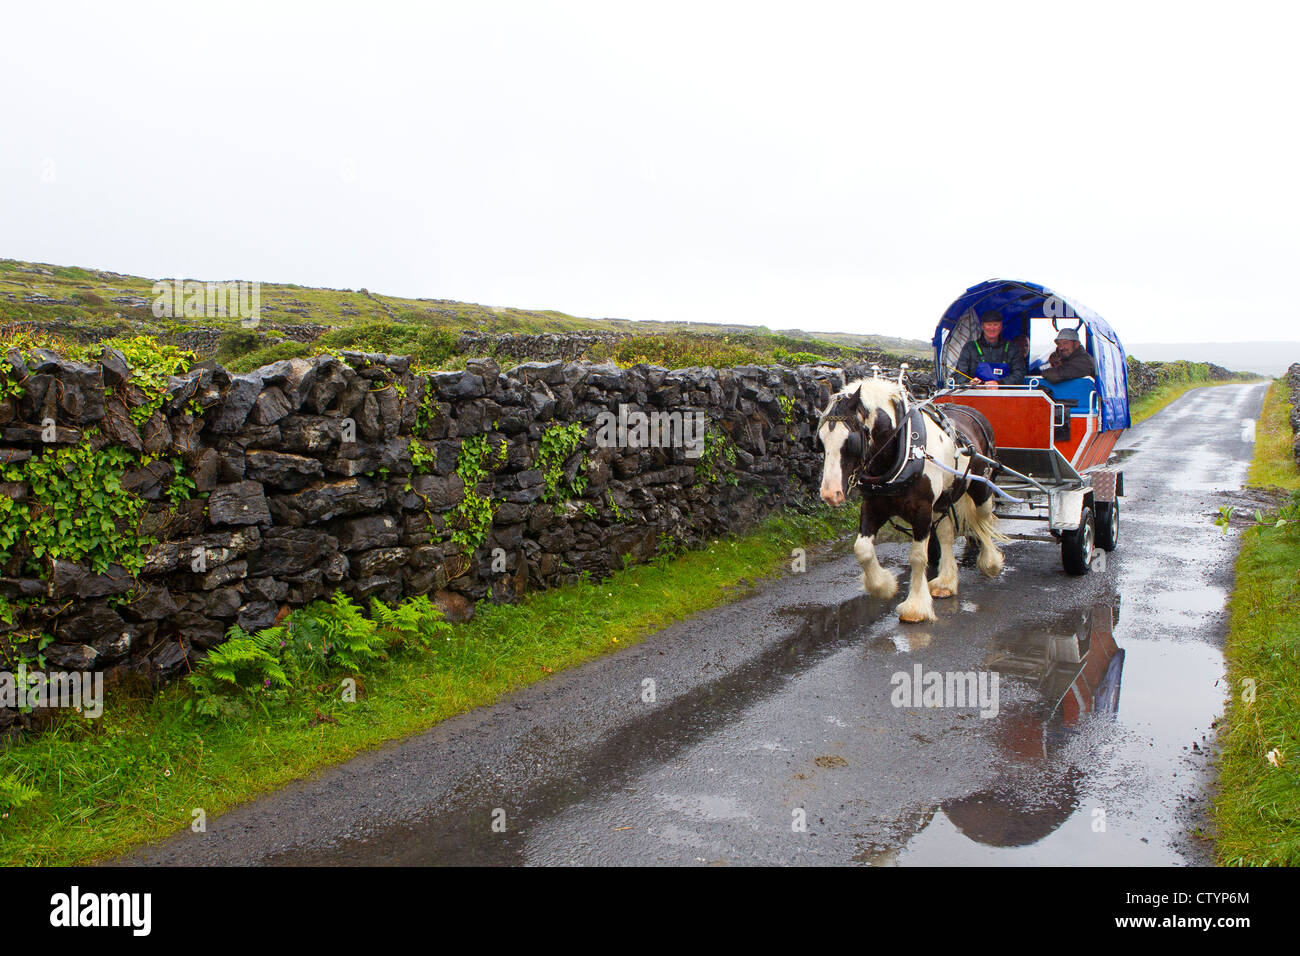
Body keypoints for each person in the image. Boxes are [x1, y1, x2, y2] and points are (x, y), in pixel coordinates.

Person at [955, 311, 1027, 387]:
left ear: (1001, 326)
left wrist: (999, 384)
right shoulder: (969, 348)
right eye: (988, 325)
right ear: (982, 326)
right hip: (975, 394)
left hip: (1005, 395)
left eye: (995, 325)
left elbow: (1019, 373)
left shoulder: (1012, 349)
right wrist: (970, 382)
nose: (992, 328)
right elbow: (959, 374)